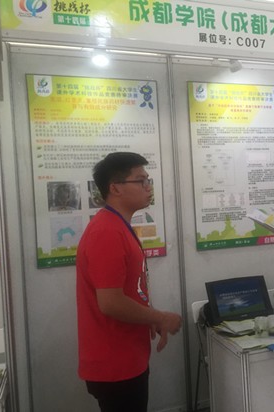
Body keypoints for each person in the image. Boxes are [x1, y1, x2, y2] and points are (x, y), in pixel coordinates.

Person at [76, 152, 182, 412]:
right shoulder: (107, 231)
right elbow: (110, 303)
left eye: (148, 180)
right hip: (115, 362)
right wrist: (160, 317)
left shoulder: (117, 225)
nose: (148, 187)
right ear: (115, 188)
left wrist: (148, 316)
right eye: (140, 180)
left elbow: (127, 290)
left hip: (126, 356)